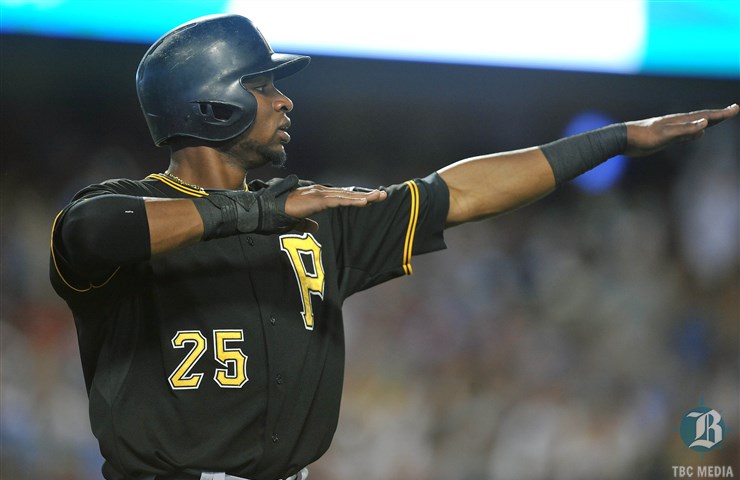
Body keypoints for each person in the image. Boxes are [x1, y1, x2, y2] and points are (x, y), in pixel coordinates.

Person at [49, 13, 737, 480]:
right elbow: (88, 234)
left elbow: (457, 193)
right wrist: (253, 211)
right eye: (263, 87)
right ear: (211, 102)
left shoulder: (312, 217)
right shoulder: (121, 210)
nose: (284, 102)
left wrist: (612, 138)